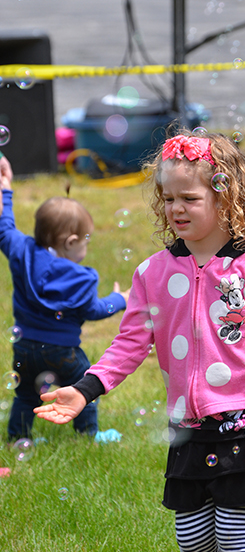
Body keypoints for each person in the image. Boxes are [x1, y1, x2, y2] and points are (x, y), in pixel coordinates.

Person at [34, 131, 245, 552]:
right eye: (168, 198)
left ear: (225, 196)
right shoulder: (153, 273)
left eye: (189, 199)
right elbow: (129, 345)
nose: (176, 208)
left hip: (242, 421)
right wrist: (86, 391)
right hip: (187, 427)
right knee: (191, 540)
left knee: (233, 537)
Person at [0, 155, 130, 441]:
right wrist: (119, 299)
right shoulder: (81, 277)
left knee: (25, 394)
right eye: (85, 240)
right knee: (82, 388)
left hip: (24, 347)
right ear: (71, 242)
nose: (86, 246)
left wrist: (6, 188)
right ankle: (88, 434)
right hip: (64, 352)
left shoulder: (21, 251)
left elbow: (4, 227)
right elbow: (93, 310)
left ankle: (19, 438)